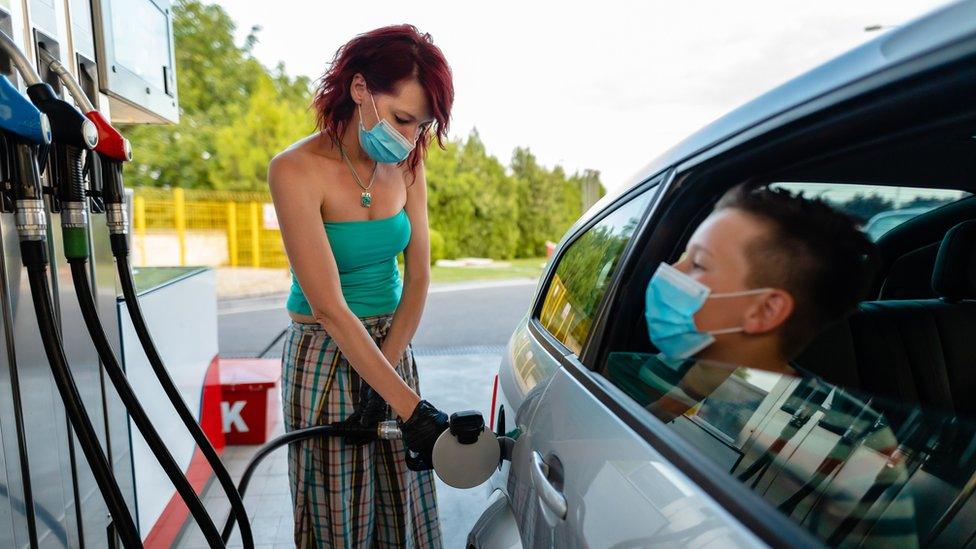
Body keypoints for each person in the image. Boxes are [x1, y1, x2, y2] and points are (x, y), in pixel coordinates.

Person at [608, 184, 920, 546]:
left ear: (764, 310)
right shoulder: (661, 370)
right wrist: (683, 396)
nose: (670, 271)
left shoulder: (857, 442)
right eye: (682, 256)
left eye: (697, 263)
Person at [268, 25, 452, 547]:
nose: (411, 138)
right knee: (336, 520)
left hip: (392, 349)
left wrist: (388, 378)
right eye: (401, 119)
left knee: (403, 514)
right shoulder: (295, 170)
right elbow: (327, 306)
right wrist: (411, 409)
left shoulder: (409, 166)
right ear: (358, 90)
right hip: (324, 359)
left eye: (421, 126)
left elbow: (418, 278)